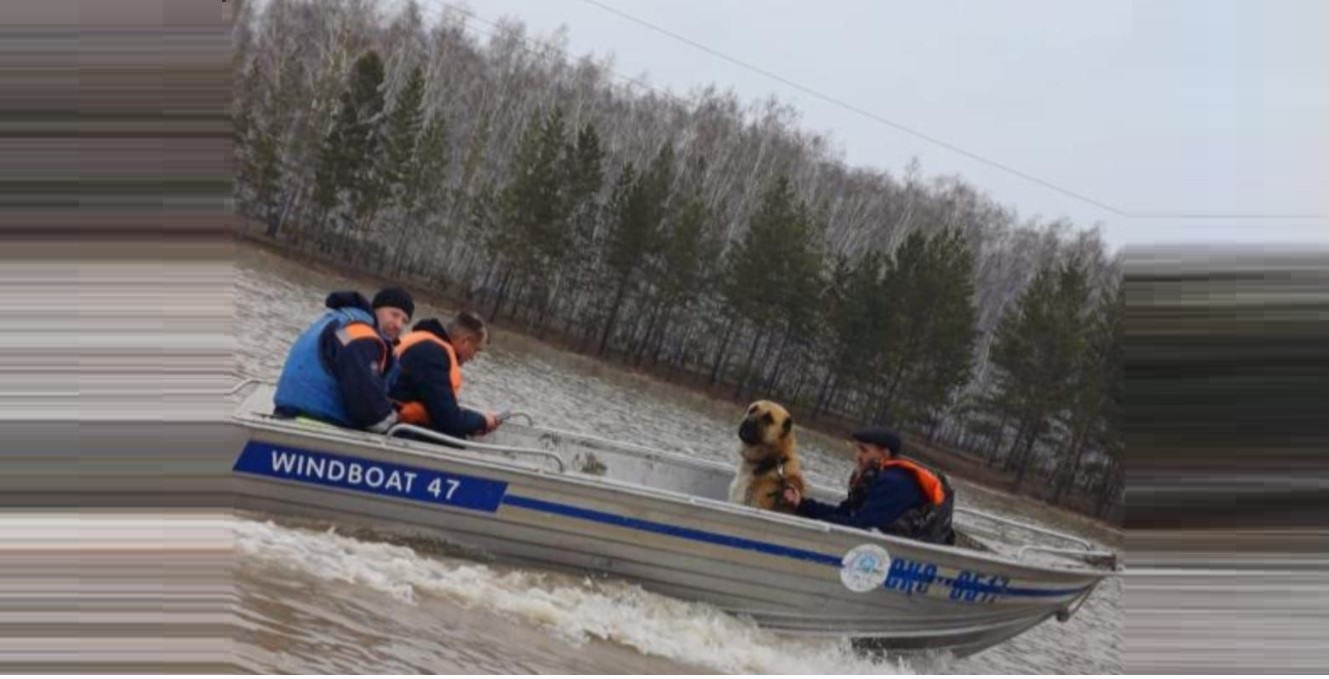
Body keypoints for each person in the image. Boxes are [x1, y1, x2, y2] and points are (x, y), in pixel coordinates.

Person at [272, 287, 415, 432]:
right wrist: (391, 423)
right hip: (319, 425)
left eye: (404, 321)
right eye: (394, 315)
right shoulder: (358, 334)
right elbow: (365, 399)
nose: (398, 325)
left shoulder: (340, 322)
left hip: (289, 416)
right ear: (377, 309)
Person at [781, 427, 956, 545]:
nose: (857, 455)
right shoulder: (871, 477)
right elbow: (844, 512)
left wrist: (812, 524)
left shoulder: (894, 482)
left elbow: (861, 526)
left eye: (864, 450)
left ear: (884, 454)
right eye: (856, 448)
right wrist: (802, 504)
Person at [389, 310, 500, 440]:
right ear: (466, 341)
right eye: (476, 350)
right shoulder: (433, 354)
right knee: (457, 438)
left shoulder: (426, 342)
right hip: (393, 424)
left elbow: (441, 406)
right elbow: (448, 418)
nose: (472, 357)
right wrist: (483, 421)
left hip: (393, 413)